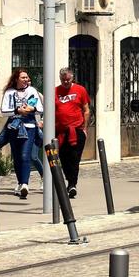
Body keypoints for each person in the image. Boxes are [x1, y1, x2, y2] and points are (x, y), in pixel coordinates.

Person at [0, 68, 44, 199]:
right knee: (17, 158)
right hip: (13, 127)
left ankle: (24, 184)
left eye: (27, 77)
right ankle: (19, 182)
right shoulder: (9, 92)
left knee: (25, 155)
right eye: (23, 77)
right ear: (16, 79)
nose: (26, 80)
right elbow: (4, 111)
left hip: (29, 127)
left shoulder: (32, 91)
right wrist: (17, 111)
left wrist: (31, 109)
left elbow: (40, 108)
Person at [54, 66, 92, 199]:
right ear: (60, 79)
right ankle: (69, 181)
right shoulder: (55, 91)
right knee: (63, 158)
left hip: (77, 130)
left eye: (68, 80)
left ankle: (72, 184)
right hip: (60, 131)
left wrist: (85, 128)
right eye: (63, 80)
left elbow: (86, 110)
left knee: (74, 158)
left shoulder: (80, 90)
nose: (65, 82)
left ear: (72, 78)